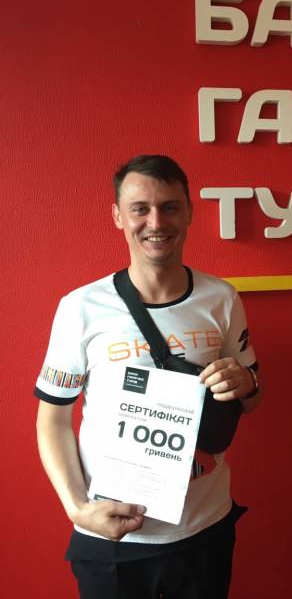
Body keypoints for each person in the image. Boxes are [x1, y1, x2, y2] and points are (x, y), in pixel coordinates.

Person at [35, 154, 262, 599]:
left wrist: (246, 384)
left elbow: (251, 396)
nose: (156, 222)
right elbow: (53, 419)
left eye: (170, 207)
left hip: (205, 527)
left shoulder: (221, 298)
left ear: (189, 212)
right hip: (115, 534)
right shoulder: (81, 307)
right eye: (140, 209)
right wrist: (77, 508)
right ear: (118, 216)